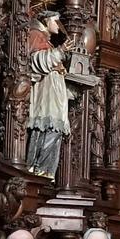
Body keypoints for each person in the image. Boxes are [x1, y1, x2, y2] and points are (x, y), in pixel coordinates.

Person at [24, 10, 72, 179]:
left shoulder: (48, 42)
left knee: (54, 132)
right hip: (45, 99)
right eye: (55, 20)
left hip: (54, 101)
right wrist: (60, 51)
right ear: (46, 20)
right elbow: (36, 62)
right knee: (45, 130)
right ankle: (36, 169)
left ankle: (46, 171)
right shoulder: (36, 35)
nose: (58, 25)